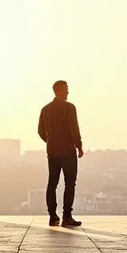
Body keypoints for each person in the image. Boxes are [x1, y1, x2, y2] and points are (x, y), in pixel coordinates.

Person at [37, 79, 83, 227]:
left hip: (52, 151)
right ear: (60, 90)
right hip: (68, 150)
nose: (68, 92)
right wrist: (79, 146)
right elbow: (73, 128)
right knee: (69, 183)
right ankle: (67, 216)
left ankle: (52, 216)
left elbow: (40, 132)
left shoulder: (45, 110)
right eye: (67, 89)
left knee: (52, 183)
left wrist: (51, 141)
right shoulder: (69, 108)